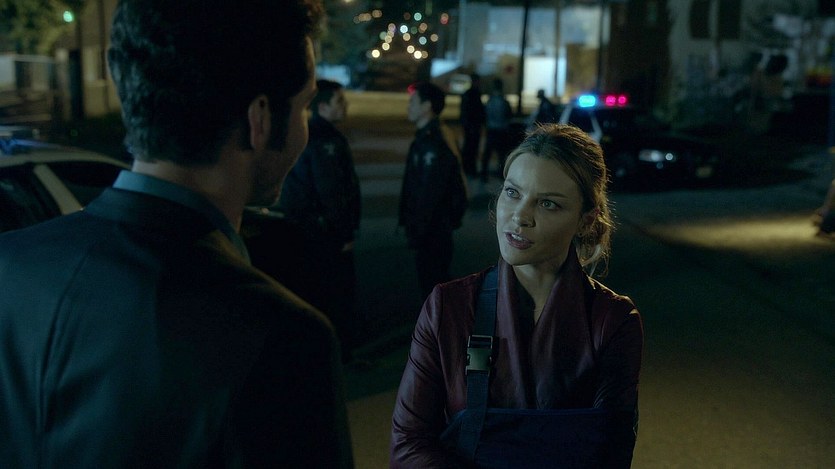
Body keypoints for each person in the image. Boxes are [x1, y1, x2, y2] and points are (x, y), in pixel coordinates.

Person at [0, 1, 354, 467]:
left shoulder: (10, 264)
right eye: (305, 105)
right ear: (260, 119)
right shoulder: (280, 336)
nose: (306, 128)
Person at [391, 124, 644, 467]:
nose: (520, 216)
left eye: (548, 204)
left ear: (586, 220)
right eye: (512, 192)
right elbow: (408, 443)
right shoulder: (450, 306)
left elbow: (609, 452)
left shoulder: (611, 321)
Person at [273, 79, 362, 362]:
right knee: (335, 294)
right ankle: (340, 355)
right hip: (326, 234)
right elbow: (332, 191)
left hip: (309, 230)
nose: (345, 105)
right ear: (322, 107)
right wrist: (344, 233)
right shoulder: (326, 141)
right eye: (339, 101)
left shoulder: (309, 134)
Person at [399, 82, 469, 300]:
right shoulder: (428, 136)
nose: (408, 106)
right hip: (432, 227)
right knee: (434, 282)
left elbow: (430, 194)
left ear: (427, 106)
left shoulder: (434, 141)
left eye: (413, 102)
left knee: (434, 284)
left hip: (433, 228)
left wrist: (417, 228)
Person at [481, 77, 514, 181]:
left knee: (487, 154)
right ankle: (501, 175)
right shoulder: (504, 101)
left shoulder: (489, 101)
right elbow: (509, 115)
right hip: (501, 130)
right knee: (501, 154)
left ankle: (484, 175)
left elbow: (484, 115)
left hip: (491, 129)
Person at [459, 73, 486, 177]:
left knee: (469, 147)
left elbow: (463, 111)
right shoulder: (474, 94)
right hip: (473, 126)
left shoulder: (468, 94)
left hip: (470, 126)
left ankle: (467, 168)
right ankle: (470, 168)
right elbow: (477, 111)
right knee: (472, 147)